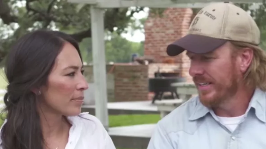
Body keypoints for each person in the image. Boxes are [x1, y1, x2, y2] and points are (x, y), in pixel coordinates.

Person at [148, 2, 266, 149]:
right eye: (192, 58)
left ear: (244, 59)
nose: (193, 71)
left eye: (207, 58)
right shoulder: (171, 132)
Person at [0, 30, 116, 149]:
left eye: (81, 72)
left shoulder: (92, 130)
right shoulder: (5, 142)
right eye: (70, 74)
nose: (84, 84)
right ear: (35, 84)